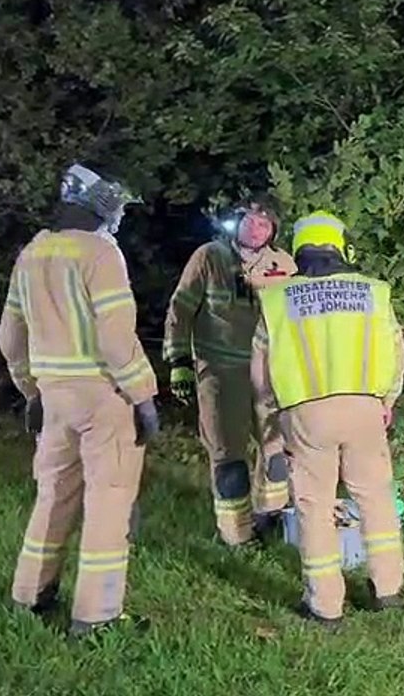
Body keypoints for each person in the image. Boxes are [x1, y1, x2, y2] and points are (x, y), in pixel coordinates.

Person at [0, 163, 161, 638]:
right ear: (102, 204)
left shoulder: (32, 253)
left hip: (54, 397)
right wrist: (143, 396)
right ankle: (97, 617)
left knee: (53, 496)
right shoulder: (101, 253)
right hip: (103, 396)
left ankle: (30, 595)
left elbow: (9, 337)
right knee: (109, 502)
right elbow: (115, 341)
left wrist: (31, 390)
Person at [250, 210, 404, 627]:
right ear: (341, 246)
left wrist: (271, 415)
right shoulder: (374, 292)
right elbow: (397, 353)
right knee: (375, 497)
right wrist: (388, 398)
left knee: (314, 505)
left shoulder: (277, 299)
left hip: (306, 414)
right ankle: (388, 589)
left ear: (299, 249)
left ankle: (325, 606)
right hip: (365, 408)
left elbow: (261, 372)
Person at [162, 197, 297, 546]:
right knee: (228, 455)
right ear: (237, 222)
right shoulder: (210, 257)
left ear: (274, 231)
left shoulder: (284, 264)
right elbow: (181, 308)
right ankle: (236, 535)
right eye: (249, 221)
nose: (256, 229)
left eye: (264, 224)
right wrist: (178, 362)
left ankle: (271, 515)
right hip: (221, 372)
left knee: (277, 449)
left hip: (270, 373)